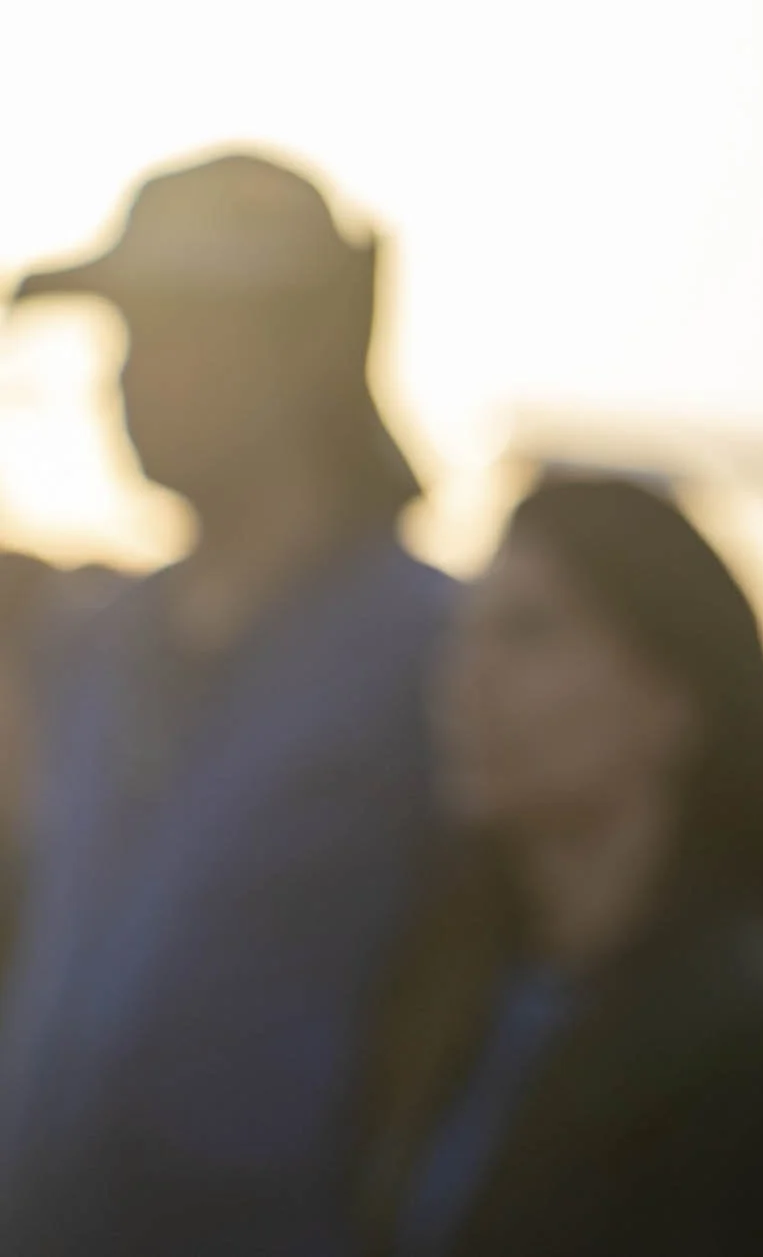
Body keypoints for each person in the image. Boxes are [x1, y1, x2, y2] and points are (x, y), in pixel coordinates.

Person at [0, 149, 454, 1256]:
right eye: (125, 337)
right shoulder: (98, 644)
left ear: (307, 347)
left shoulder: (439, 656)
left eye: (178, 331)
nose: (127, 377)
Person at [357, 474, 763, 1257]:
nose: (462, 675)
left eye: (527, 631)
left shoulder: (752, 1042)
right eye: (464, 631)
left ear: (676, 701)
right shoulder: (457, 965)